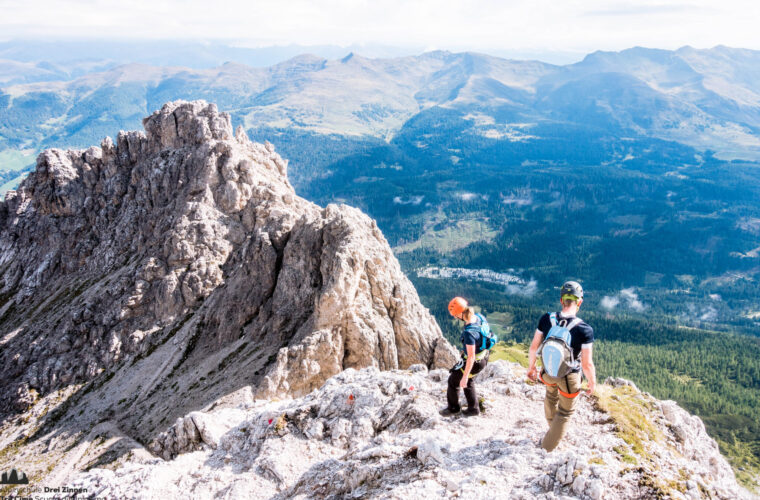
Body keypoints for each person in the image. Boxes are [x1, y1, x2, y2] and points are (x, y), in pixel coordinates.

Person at [527, 281, 596, 451]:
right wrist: (592, 382)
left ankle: (553, 430)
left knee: (551, 396)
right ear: (579, 302)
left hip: (548, 371)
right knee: (565, 412)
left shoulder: (546, 318)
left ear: (561, 300)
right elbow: (587, 364)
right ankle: (547, 447)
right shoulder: (584, 329)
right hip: (569, 377)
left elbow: (534, 347)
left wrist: (531, 368)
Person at [441, 297, 490, 417]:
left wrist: (465, 376)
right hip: (484, 356)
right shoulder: (479, 317)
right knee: (468, 382)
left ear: (460, 313)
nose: (454, 317)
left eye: (455, 315)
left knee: (453, 381)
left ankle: (453, 408)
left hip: (475, 361)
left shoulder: (469, 333)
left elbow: (471, 357)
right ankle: (473, 409)